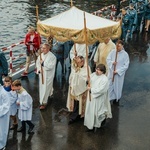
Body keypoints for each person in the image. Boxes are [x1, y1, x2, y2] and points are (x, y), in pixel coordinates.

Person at [84, 64, 112, 132]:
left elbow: (101, 90)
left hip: (98, 99)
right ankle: (90, 126)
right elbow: (89, 81)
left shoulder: (104, 79)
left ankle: (100, 124)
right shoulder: (93, 75)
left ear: (103, 71)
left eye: (99, 70)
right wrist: (87, 81)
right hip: (91, 98)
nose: (97, 71)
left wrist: (91, 90)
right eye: (96, 69)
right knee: (90, 112)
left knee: (98, 113)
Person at [66, 55, 91, 124]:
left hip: (81, 89)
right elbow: (72, 75)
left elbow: (86, 78)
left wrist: (79, 75)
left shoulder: (87, 68)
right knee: (75, 103)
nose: (77, 64)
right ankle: (74, 115)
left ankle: (80, 115)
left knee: (80, 103)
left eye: (79, 62)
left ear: (82, 62)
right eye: (77, 62)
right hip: (74, 87)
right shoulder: (75, 67)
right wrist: (71, 83)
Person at [36, 43, 56, 110]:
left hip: (48, 75)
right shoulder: (40, 56)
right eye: (42, 48)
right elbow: (38, 64)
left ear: (48, 49)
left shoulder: (52, 57)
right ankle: (49, 93)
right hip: (42, 75)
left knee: (46, 88)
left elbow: (51, 66)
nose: (42, 49)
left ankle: (43, 103)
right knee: (43, 88)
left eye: (44, 48)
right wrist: (39, 70)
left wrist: (43, 64)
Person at [0, 79, 10, 150]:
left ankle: (2, 145)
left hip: (3, 116)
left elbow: (6, 106)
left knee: (2, 131)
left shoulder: (4, 93)